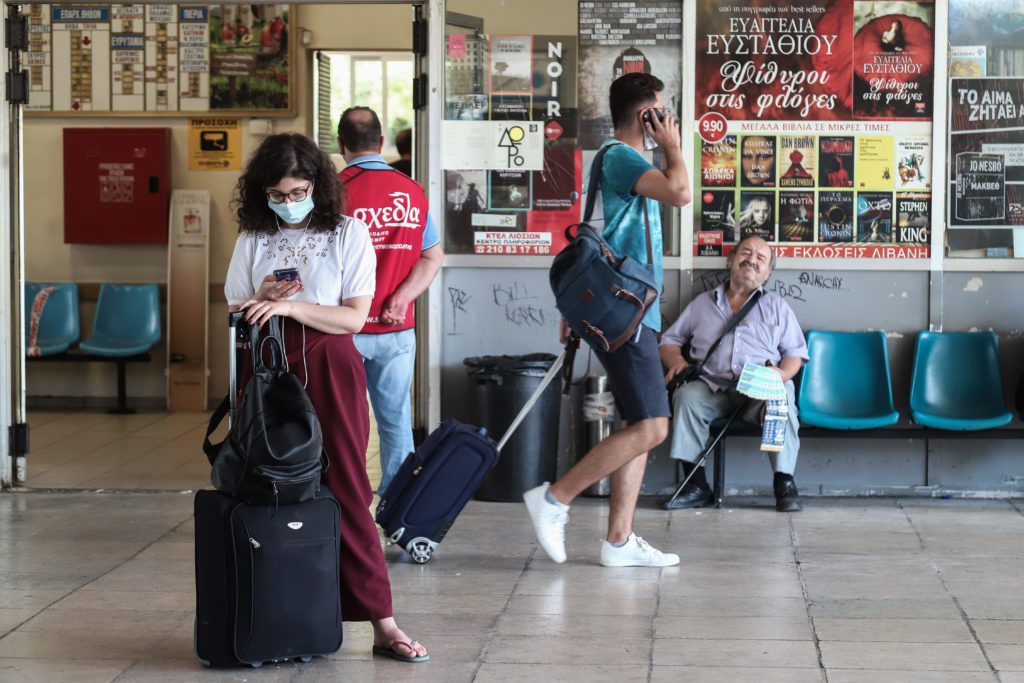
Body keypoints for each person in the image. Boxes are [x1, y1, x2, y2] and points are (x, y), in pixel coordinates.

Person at [224, 133, 429, 663]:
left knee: (347, 485)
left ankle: (382, 621)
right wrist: (262, 299)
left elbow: (354, 317)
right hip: (266, 365)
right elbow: (233, 308)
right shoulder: (254, 236)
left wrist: (291, 308)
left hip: (329, 362)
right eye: (277, 193)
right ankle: (278, 609)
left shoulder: (346, 232)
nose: (288, 202)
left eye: (297, 192)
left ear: (316, 185)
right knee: (268, 485)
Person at [523, 72, 692, 567]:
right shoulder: (621, 157)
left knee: (639, 421)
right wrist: (673, 146)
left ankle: (618, 540)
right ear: (648, 116)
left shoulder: (621, 161)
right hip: (628, 310)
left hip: (634, 305)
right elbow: (681, 192)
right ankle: (555, 499)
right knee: (654, 427)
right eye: (662, 110)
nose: (669, 117)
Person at [337, 107, 444, 492]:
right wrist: (402, 297)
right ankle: (398, 509)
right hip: (396, 328)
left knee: (343, 423)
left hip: (343, 329)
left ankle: (345, 504)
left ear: (340, 144)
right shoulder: (412, 191)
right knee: (396, 422)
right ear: (380, 143)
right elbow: (433, 256)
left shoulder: (332, 192)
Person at [659, 236, 807, 513]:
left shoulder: (777, 306)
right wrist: (676, 362)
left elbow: (794, 353)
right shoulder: (702, 304)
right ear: (731, 260)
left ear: (768, 272)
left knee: (781, 394)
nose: (752, 259)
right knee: (687, 396)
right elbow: (669, 341)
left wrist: (781, 374)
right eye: (746, 253)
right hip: (712, 386)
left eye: (761, 258)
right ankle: (696, 484)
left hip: (757, 389)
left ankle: (784, 482)